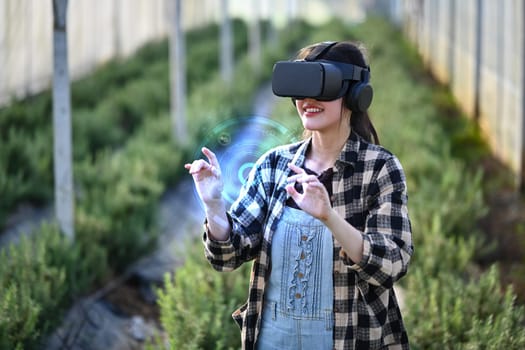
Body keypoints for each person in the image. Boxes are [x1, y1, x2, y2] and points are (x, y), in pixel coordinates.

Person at [184, 41, 413, 350]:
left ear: (355, 93)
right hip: (273, 340)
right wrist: (213, 206)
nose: (307, 100)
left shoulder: (379, 169)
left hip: (351, 340)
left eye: (322, 88)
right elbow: (228, 255)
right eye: (300, 88)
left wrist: (330, 217)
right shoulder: (275, 165)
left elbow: (391, 264)